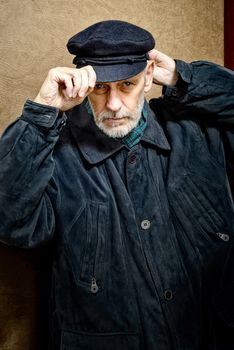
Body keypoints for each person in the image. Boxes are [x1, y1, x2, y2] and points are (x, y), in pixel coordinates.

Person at [0, 20, 233, 350]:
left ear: (149, 76)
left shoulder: (198, 133)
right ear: (83, 86)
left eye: (128, 84)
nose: (113, 104)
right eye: (101, 88)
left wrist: (185, 78)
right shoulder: (55, 155)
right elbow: (11, 222)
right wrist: (42, 114)